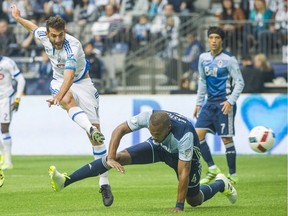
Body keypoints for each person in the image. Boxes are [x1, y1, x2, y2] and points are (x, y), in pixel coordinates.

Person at [10, 4, 114, 207]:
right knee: (68, 101)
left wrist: (58, 95)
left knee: (97, 142)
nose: (57, 40)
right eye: (53, 36)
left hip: (82, 83)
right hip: (58, 81)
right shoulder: (43, 35)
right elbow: (32, 27)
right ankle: (89, 128)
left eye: (60, 35)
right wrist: (17, 18)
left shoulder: (72, 46)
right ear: (47, 34)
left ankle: (104, 183)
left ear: (65, 31)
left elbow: (69, 77)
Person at [48, 110, 237, 212]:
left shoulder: (185, 136)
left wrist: (179, 207)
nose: (153, 136)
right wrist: (112, 157)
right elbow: (119, 130)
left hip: (184, 157)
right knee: (116, 157)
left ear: (169, 128)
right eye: (151, 133)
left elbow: (184, 172)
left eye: (157, 134)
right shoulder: (149, 118)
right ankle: (66, 180)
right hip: (160, 149)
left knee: (194, 200)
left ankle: (222, 183)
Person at [193, 26, 244, 185]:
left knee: (226, 139)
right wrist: (198, 103)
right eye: (211, 38)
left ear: (221, 40)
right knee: (197, 135)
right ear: (208, 39)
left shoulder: (229, 59)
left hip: (224, 103)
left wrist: (230, 101)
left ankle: (233, 174)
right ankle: (213, 168)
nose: (214, 41)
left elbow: (240, 82)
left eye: (217, 38)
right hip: (209, 104)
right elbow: (202, 81)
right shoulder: (203, 58)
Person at [0, 54, 26, 170]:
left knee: (4, 129)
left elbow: (21, 80)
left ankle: (8, 161)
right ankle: (3, 154)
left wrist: (17, 99)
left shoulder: (7, 63)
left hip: (6, 99)